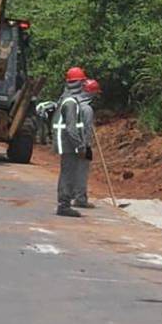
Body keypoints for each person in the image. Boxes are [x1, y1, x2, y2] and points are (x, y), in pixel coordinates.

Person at [53, 66, 88, 217]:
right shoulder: (70, 102)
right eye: (82, 83)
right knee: (68, 174)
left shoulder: (65, 99)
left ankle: (64, 203)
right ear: (78, 84)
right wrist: (79, 146)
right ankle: (64, 205)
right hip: (68, 144)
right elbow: (71, 128)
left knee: (66, 173)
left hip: (65, 143)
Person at [73, 78, 101, 209]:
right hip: (81, 144)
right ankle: (80, 198)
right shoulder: (87, 109)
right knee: (81, 172)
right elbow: (87, 129)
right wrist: (85, 146)